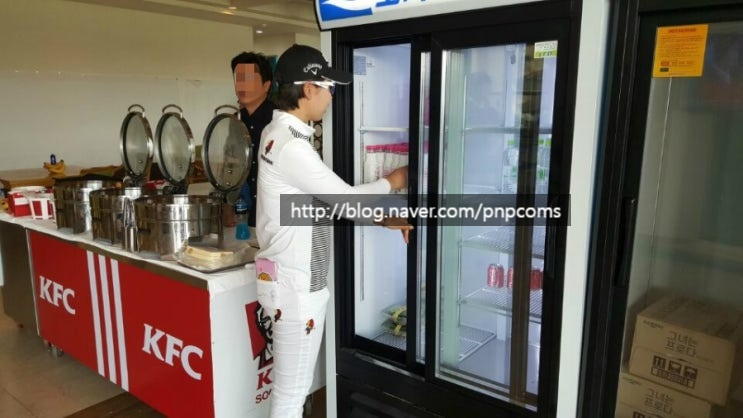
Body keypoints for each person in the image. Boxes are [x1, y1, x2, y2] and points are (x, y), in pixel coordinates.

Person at [254, 44, 411, 418]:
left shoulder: (277, 133)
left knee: (290, 392)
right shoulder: (292, 147)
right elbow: (344, 199)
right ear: (308, 89)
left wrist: (380, 219)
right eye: (328, 87)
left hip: (284, 280)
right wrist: (395, 180)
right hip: (296, 288)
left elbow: (316, 203)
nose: (331, 96)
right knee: (290, 397)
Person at [230, 51, 276, 227]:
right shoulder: (235, 121)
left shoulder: (278, 119)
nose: (242, 86)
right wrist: (228, 203)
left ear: (266, 85)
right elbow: (230, 164)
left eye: (249, 79)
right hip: (243, 211)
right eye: (239, 79)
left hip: (274, 214)